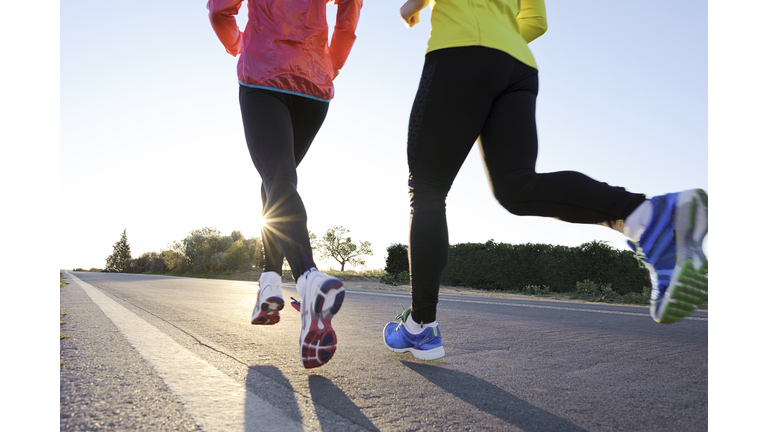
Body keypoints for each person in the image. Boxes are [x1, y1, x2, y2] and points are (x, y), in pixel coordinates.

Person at [382, 0, 708, 361]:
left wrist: (411, 10)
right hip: (517, 66)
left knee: (427, 190)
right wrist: (499, 38)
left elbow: (411, 5)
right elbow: (537, 21)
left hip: (460, 50)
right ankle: (646, 216)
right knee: (516, 188)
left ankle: (420, 326)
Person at [207, 0, 363, 368]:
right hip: (313, 83)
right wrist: (332, 62)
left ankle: (308, 278)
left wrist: (239, 45)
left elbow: (219, 11)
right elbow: (350, 10)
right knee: (278, 179)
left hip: (264, 73)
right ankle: (270, 283)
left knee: (278, 177)